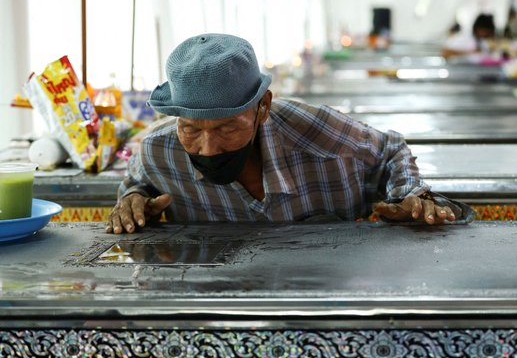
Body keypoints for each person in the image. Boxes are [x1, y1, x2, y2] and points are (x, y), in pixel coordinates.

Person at [106, 33, 474, 234]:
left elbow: (391, 149)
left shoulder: (316, 132)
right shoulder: (158, 151)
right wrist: (135, 202)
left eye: (227, 127)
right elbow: (137, 189)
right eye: (190, 129)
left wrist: (408, 195)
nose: (208, 147)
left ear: (262, 107)